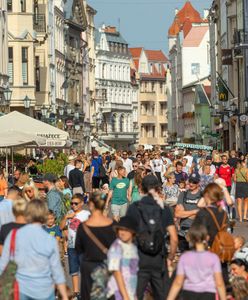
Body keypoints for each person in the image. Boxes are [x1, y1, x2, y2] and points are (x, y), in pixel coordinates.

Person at [0, 199, 68, 300]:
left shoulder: (14, 235)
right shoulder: (50, 239)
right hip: (45, 290)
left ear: (27, 213)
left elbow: (4, 264)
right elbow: (56, 270)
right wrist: (64, 295)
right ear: (44, 216)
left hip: (21, 289)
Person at [126, 175, 178, 300]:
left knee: (135, 294)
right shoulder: (164, 208)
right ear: (158, 189)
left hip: (139, 257)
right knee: (161, 294)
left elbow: (127, 235)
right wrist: (170, 257)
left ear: (142, 189)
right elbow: (174, 238)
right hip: (158, 257)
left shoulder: (134, 207)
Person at [167, 224, 226, 300]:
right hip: (208, 293)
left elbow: (178, 282)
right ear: (207, 238)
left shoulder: (185, 257)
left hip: (189, 293)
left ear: (189, 238)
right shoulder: (213, 258)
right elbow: (219, 283)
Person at [75, 192, 116, 300]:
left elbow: (78, 250)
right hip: (108, 267)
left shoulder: (83, 227)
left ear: (91, 205)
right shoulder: (113, 225)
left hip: (89, 268)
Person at [60, 194, 90, 298]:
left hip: (83, 246)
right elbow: (61, 227)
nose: (73, 205)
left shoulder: (86, 214)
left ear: (81, 203)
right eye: (72, 203)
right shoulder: (69, 213)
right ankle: (76, 293)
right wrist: (66, 217)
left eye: (76, 203)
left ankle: (86, 291)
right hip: (72, 245)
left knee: (85, 270)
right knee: (74, 271)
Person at [107, 216, 139, 300]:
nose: (122, 233)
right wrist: (125, 296)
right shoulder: (116, 247)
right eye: (120, 229)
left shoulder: (133, 247)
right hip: (117, 292)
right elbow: (116, 272)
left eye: (126, 230)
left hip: (130, 291)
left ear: (133, 231)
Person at [175, 173, 201, 252]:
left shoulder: (203, 195)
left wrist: (185, 213)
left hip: (197, 230)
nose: (191, 184)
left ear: (198, 183)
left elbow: (202, 214)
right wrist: (195, 211)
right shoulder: (183, 194)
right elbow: (178, 214)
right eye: (190, 181)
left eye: (194, 182)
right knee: (184, 258)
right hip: (183, 231)